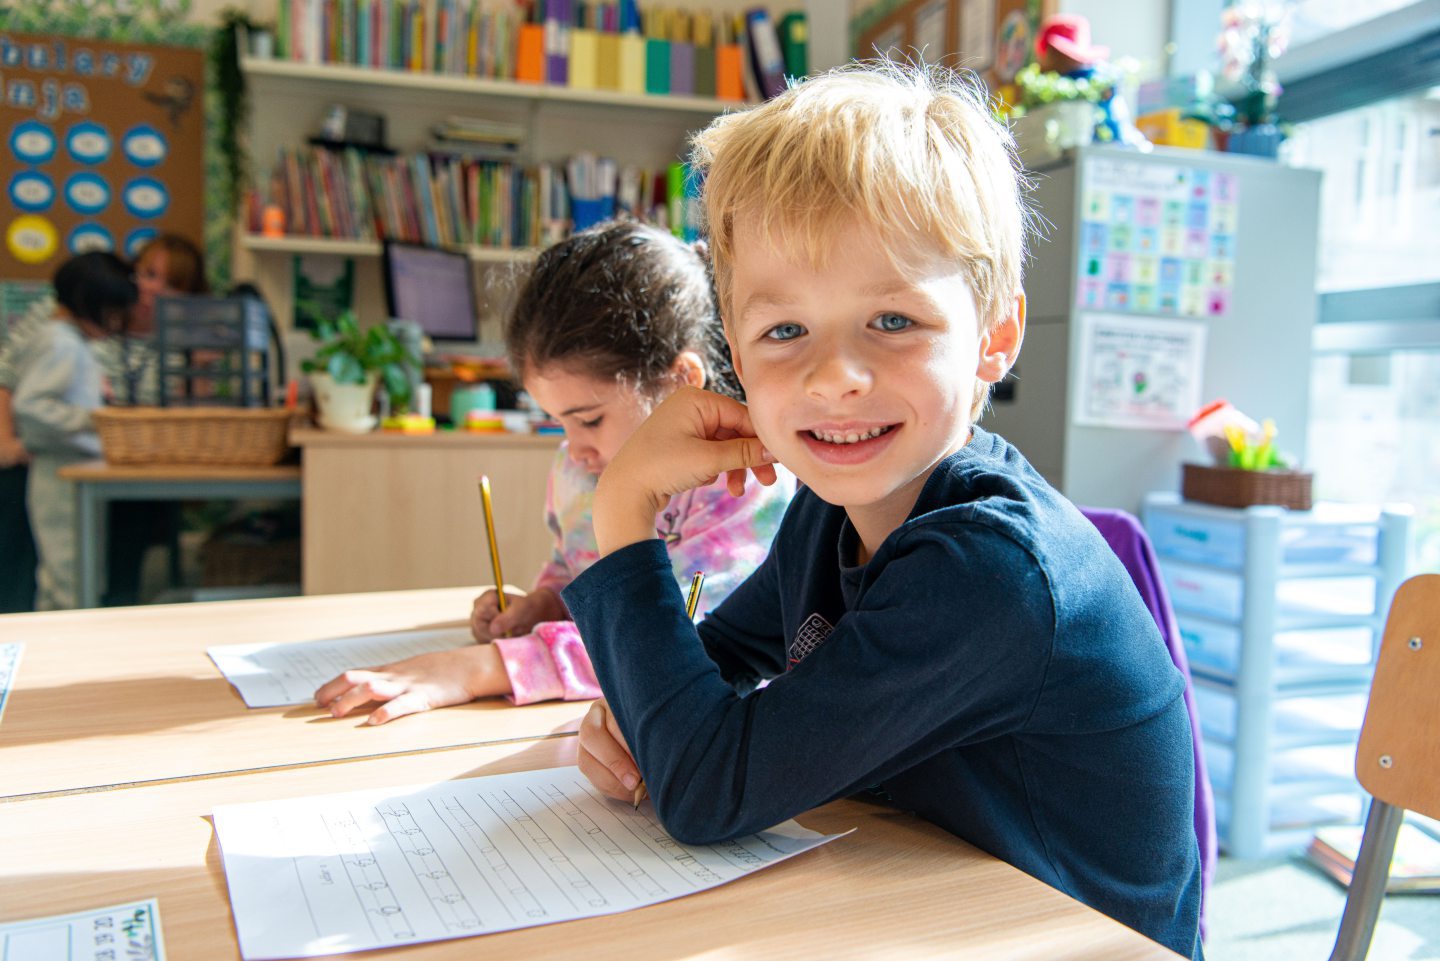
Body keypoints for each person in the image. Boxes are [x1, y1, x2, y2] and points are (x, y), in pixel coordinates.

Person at [560, 63, 1204, 960]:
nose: (834, 377)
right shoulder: (833, 508)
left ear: (994, 338)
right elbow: (711, 670)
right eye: (785, 331)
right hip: (929, 914)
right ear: (736, 357)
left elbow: (703, 787)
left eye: (893, 320)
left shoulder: (988, 570)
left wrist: (625, 502)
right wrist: (637, 710)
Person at [315, 221, 796, 724]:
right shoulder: (577, 467)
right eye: (560, 421)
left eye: (589, 419)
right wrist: (544, 603)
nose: (576, 448)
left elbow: (685, 646)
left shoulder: (744, 489)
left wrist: (480, 669)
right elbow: (577, 567)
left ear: (680, 382)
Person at [5, 252, 136, 610]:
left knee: (71, 573)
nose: (114, 324)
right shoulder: (60, 342)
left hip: (72, 469)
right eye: (111, 312)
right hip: (60, 470)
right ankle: (62, 654)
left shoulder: (68, 341)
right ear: (89, 303)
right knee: (68, 575)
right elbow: (31, 404)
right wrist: (92, 420)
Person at [98, 233, 209, 606]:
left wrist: (200, 372)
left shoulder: (180, 349)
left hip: (142, 464)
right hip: (79, 452)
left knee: (134, 505)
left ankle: (119, 601)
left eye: (172, 284)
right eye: (148, 274)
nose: (154, 289)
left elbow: (192, 424)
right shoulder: (91, 324)